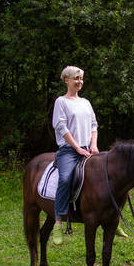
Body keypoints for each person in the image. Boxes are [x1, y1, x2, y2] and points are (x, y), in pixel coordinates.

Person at [51, 66, 99, 245]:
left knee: (107, 176)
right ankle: (58, 221)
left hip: (88, 149)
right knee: (64, 179)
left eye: (81, 79)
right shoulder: (61, 102)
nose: (79, 82)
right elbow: (61, 127)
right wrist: (77, 148)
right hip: (69, 151)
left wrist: (93, 145)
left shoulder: (86, 102)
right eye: (76, 78)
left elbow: (94, 125)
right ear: (67, 80)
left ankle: (113, 218)